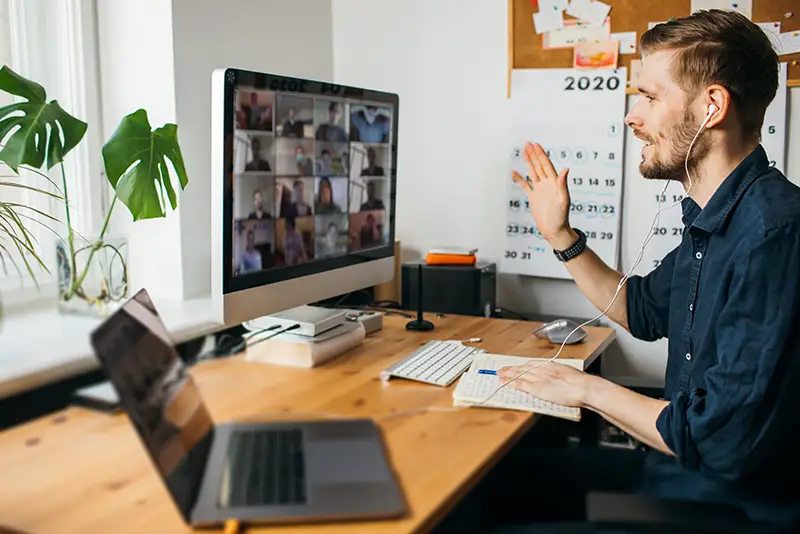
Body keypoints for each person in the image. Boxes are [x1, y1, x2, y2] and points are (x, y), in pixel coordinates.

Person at [482, 9, 800, 533]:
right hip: (677, 473)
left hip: (731, 508)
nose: (633, 115)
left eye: (650, 97)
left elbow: (715, 439)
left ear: (711, 107)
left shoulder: (772, 234)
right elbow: (640, 310)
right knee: (497, 485)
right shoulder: (718, 217)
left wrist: (586, 389)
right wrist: (560, 235)